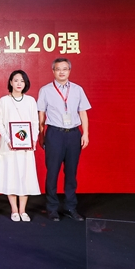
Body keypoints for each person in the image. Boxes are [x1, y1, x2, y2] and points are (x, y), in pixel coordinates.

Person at [37, 58, 91, 222]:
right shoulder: (45, 90)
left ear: (69, 71)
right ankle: (52, 208)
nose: (62, 72)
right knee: (52, 172)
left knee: (71, 173)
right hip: (55, 134)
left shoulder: (77, 89)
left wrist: (85, 133)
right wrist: (41, 135)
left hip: (73, 134)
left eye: (65, 69)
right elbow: (41, 114)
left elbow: (83, 112)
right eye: (58, 69)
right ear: (53, 71)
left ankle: (70, 207)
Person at [0, 70, 41, 222]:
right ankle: (14, 210)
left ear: (25, 83)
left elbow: (35, 123)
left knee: (25, 176)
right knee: (11, 176)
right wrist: (8, 139)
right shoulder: (3, 101)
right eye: (16, 80)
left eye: (22, 80)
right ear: (10, 82)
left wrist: (33, 139)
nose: (19, 83)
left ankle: (23, 210)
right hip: (9, 146)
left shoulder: (31, 101)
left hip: (26, 147)